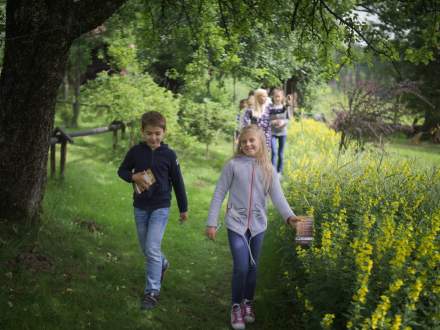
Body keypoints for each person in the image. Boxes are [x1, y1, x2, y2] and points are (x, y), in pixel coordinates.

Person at [205, 125, 300, 330]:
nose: (247, 144)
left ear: (261, 143)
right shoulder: (232, 165)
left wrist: (290, 217)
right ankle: (236, 306)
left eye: (252, 141)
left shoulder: (268, 169)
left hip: (258, 226)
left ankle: (248, 302)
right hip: (236, 224)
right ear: (239, 144)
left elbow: (278, 197)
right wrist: (212, 222)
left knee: (253, 267)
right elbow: (219, 194)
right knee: (241, 267)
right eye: (244, 141)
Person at [117, 111, 188, 310]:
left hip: (160, 207)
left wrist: (184, 208)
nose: (153, 137)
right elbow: (121, 170)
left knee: (152, 247)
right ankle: (162, 264)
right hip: (140, 207)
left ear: (164, 132)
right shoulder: (135, 152)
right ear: (142, 132)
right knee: (146, 249)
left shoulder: (169, 155)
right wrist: (133, 177)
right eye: (149, 133)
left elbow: (178, 183)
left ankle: (152, 292)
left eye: (157, 133)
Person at [269, 88, 290, 177]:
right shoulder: (270, 107)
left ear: (282, 97)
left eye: (279, 96)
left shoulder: (284, 107)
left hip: (282, 132)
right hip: (272, 132)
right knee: (274, 152)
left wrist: (283, 123)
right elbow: (266, 120)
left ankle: (279, 172)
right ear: (273, 97)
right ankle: (272, 172)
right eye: (275, 96)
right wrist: (273, 122)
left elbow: (288, 119)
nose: (277, 98)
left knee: (280, 153)